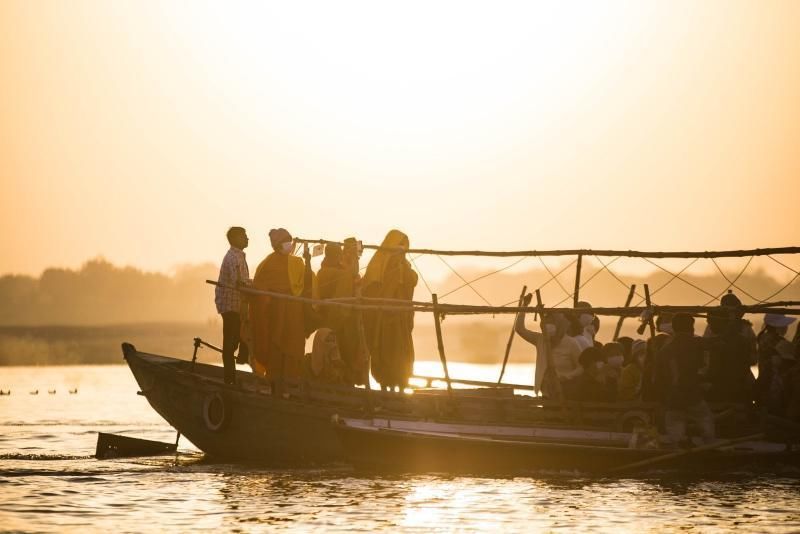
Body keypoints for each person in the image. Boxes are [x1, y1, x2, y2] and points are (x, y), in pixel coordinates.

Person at [250, 228, 308, 395]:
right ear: (278, 245)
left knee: (292, 351)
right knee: (276, 349)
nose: (290, 245)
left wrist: (308, 261)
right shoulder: (267, 264)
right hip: (275, 315)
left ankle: (290, 390)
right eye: (286, 242)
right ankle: (275, 388)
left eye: (290, 241)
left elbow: (303, 282)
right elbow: (259, 286)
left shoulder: (296, 263)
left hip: (293, 315)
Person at [362, 230, 418, 391]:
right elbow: (371, 289)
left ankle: (401, 388)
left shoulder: (405, 266)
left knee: (402, 353)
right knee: (384, 352)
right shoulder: (377, 265)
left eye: (404, 247)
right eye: (400, 245)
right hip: (383, 319)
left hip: (401, 319)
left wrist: (402, 269)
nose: (402, 250)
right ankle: (385, 388)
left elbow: (412, 281)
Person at [655, 313, 715, 446]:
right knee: (706, 424)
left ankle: (679, 449)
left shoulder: (665, 350)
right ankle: (710, 448)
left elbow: (658, 379)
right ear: (691, 328)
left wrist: (664, 398)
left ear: (674, 329)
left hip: (673, 399)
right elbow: (718, 345)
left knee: (676, 435)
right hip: (694, 397)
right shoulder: (698, 344)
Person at [314, 239, 368, 385]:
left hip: (328, 319)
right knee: (343, 353)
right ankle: (344, 384)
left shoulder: (321, 272)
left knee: (334, 354)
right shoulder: (338, 273)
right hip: (342, 320)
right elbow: (350, 279)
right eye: (339, 254)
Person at [515, 293, 583, 398]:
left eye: (552, 323)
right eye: (546, 323)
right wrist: (525, 306)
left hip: (565, 390)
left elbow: (581, 367)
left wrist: (567, 376)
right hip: (546, 390)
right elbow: (519, 329)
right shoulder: (540, 340)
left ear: (560, 324)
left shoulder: (571, 343)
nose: (548, 326)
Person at [214, 226, 250, 385]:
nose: (248, 238)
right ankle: (229, 379)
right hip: (229, 304)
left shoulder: (239, 256)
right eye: (244, 236)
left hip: (237, 303)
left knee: (238, 336)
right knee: (230, 342)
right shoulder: (233, 258)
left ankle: (240, 359)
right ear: (236, 239)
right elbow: (239, 284)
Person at [756, 313, 798, 414]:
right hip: (775, 383)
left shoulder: (763, 338)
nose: (786, 327)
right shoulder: (779, 342)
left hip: (764, 379)